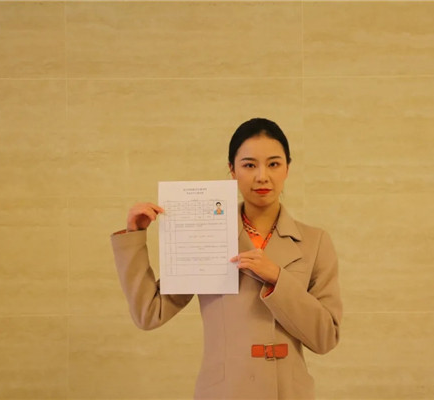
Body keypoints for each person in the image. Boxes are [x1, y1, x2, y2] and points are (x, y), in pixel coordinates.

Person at [110, 118, 342, 399]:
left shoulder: (315, 242)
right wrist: (134, 236)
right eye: (249, 165)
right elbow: (149, 313)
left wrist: (278, 279)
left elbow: (326, 337)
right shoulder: (206, 233)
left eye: (273, 164)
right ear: (232, 170)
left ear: (287, 168)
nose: (262, 176)